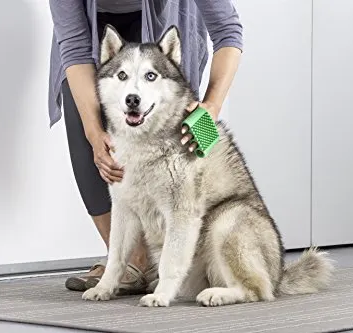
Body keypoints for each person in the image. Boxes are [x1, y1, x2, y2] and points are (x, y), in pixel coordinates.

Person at [48, 0, 243, 293]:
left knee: (194, 132)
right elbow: (75, 47)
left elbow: (228, 30)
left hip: (169, 27)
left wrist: (211, 108)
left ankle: (220, 251)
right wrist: (93, 131)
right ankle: (129, 262)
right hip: (93, 34)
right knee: (85, 129)